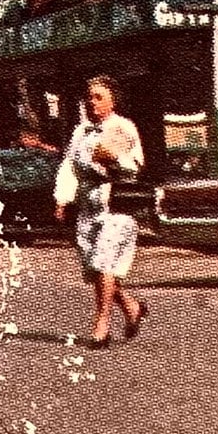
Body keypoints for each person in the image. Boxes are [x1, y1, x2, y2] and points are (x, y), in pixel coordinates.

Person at [56, 75, 147, 349]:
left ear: (113, 101)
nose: (91, 102)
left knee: (104, 263)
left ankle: (102, 325)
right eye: (89, 96)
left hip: (115, 205)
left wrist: (114, 159)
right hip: (87, 206)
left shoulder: (123, 128)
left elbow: (136, 166)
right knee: (93, 269)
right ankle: (132, 307)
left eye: (98, 97)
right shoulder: (81, 132)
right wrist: (62, 199)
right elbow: (70, 166)